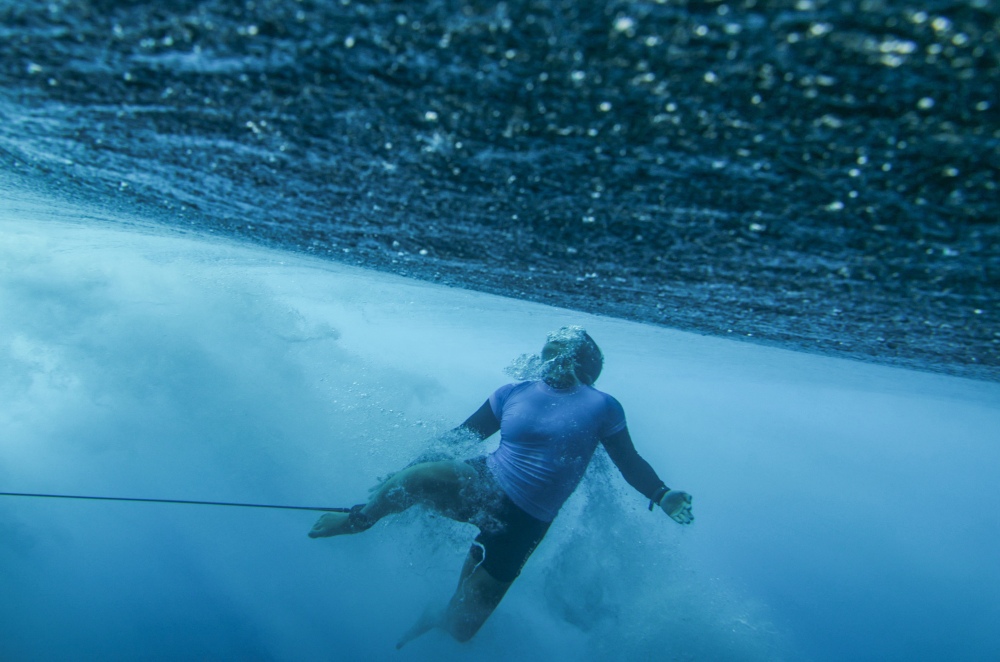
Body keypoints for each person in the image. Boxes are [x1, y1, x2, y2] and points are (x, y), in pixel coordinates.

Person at [308, 326, 693, 648]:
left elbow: (629, 461)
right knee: (421, 477)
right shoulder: (512, 392)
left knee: (461, 629)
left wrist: (661, 494)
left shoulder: (602, 406)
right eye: (545, 351)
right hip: (486, 482)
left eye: (557, 352)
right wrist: (401, 473)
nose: (546, 359)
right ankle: (359, 520)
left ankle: (441, 612)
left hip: (526, 522)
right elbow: (460, 436)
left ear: (582, 361)